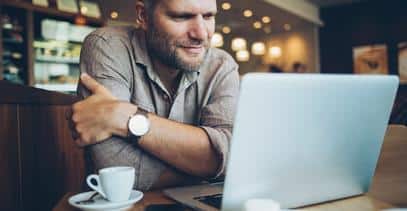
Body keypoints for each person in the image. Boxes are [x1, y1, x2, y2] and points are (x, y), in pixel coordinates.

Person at [67, 0, 240, 191]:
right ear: (143, 16)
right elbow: (116, 170)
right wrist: (206, 166)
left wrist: (125, 118)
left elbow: (232, 157)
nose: (201, 34)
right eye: (181, 16)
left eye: (208, 16)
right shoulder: (106, 47)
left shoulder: (222, 66)